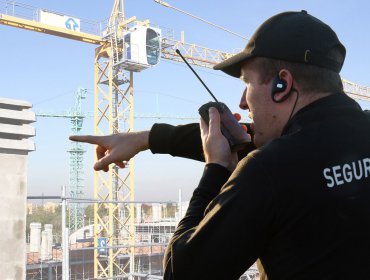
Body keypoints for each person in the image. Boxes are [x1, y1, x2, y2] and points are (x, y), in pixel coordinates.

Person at [71, 10, 370, 279]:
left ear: (283, 84)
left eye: (247, 83)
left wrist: (215, 169)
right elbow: (274, 144)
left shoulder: (267, 169)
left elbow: (181, 272)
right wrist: (145, 139)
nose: (243, 101)